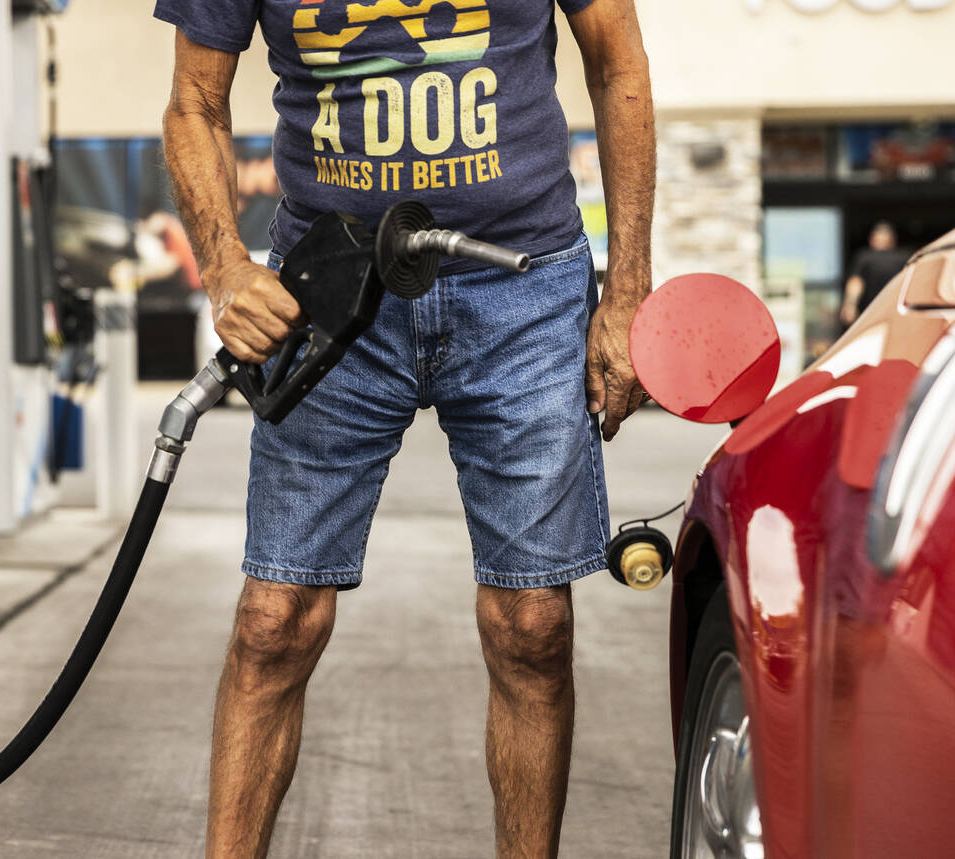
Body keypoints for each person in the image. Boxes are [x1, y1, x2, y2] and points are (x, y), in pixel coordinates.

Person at [154, 1, 654, 855]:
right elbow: (194, 102)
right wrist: (228, 268)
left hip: (523, 287)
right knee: (274, 621)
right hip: (330, 281)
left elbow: (618, 61)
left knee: (533, 627)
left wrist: (628, 291)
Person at [840, 221, 911, 326]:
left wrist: (850, 305)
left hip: (875, 313)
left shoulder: (865, 257)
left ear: (872, 239)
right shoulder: (904, 257)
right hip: (893, 312)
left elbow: (856, 282)